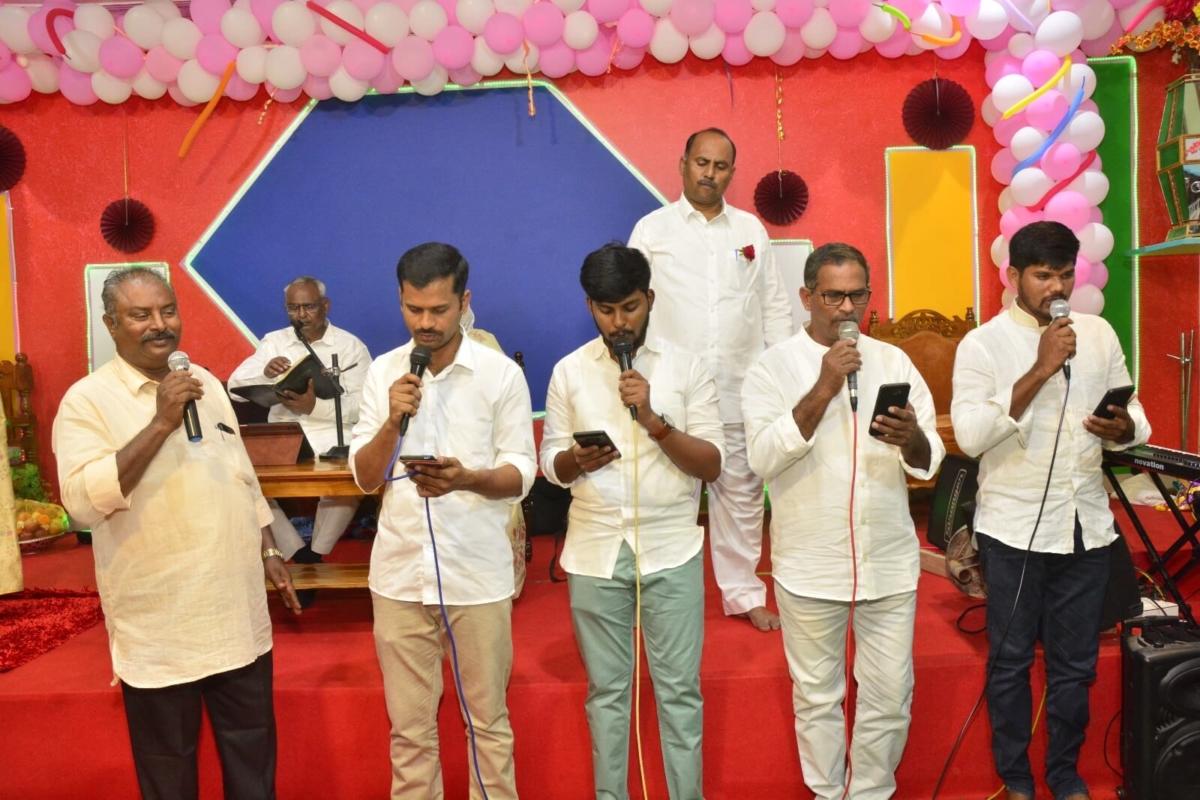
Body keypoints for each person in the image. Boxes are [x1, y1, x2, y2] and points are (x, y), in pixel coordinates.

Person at [52, 267, 300, 800]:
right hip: (159, 625)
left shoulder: (204, 383)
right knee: (169, 772)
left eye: (167, 311)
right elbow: (82, 505)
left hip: (235, 613)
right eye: (140, 315)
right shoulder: (86, 401)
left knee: (253, 757)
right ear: (110, 325)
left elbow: (241, 473)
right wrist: (162, 420)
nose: (159, 325)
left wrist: (269, 547)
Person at [951, 221, 1150, 800]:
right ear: (1013, 275)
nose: (1056, 287)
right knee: (1011, 661)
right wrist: (1040, 368)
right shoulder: (982, 345)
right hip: (1012, 532)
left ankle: (1064, 775)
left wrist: (1123, 429)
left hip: (1086, 527)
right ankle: (1016, 780)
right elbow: (970, 436)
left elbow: (1137, 416)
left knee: (1076, 666)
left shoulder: (1098, 333)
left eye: (1065, 275)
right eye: (1042, 276)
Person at [741, 243, 943, 798]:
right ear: (806, 297)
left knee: (890, 696)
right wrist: (825, 385)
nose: (847, 308)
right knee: (817, 698)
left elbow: (929, 460)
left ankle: (871, 793)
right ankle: (827, 793)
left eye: (858, 295)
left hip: (888, 560)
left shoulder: (894, 362)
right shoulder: (772, 368)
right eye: (833, 296)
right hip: (810, 564)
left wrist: (912, 438)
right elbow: (762, 459)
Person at [350, 242, 535, 799]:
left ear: (464, 302)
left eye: (438, 310)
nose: (425, 323)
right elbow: (364, 478)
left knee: (488, 726)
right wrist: (391, 420)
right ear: (400, 301)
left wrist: (467, 479)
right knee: (409, 733)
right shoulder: (384, 372)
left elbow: (521, 474)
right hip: (399, 577)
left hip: (476, 574)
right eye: (414, 309)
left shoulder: (500, 375)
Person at [540, 244, 724, 799]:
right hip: (595, 548)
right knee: (607, 693)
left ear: (650, 299)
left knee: (679, 693)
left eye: (629, 307)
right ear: (589, 307)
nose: (619, 322)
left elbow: (711, 465)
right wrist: (577, 460)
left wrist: (652, 420)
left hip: (672, 547)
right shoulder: (569, 371)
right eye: (605, 310)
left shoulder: (686, 367)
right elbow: (551, 466)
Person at [628, 127, 793, 631]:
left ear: (731, 174)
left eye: (720, 166)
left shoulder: (751, 230)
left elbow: (773, 304)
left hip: (741, 385)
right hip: (672, 390)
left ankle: (743, 593)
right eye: (702, 163)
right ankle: (652, 591)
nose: (709, 174)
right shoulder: (652, 231)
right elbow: (632, 309)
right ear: (683, 164)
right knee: (664, 492)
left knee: (742, 494)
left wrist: (781, 373)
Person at [228, 276, 372, 564]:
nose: (301, 315)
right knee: (243, 482)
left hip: (333, 436)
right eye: (293, 308)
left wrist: (314, 407)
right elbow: (234, 387)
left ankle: (316, 551)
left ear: (325, 306)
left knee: (350, 480)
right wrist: (264, 373)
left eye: (309, 307)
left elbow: (364, 406)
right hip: (284, 437)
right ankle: (293, 550)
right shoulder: (275, 342)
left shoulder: (350, 346)